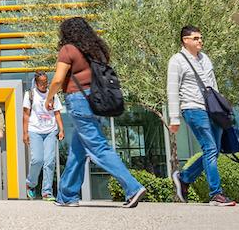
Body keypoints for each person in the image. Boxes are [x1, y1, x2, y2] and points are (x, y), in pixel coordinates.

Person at [45, 17, 146, 208]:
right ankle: (67, 196)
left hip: (78, 100)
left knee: (98, 147)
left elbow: (58, 79)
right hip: (95, 101)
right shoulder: (96, 51)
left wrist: (49, 98)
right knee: (78, 150)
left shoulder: (68, 49)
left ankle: (133, 187)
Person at [168, 26, 235, 206]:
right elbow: (172, 90)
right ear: (185, 40)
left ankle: (184, 178)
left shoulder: (205, 59)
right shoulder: (177, 61)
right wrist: (174, 118)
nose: (200, 41)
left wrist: (222, 109)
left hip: (212, 111)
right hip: (193, 109)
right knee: (210, 148)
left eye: (201, 38)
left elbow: (214, 86)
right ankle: (216, 194)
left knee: (214, 150)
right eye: (196, 38)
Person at [23, 71, 64, 201]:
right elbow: (26, 115)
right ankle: (30, 184)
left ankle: (47, 192)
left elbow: (57, 113)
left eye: (46, 82)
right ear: (36, 82)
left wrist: (61, 129)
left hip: (51, 131)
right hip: (34, 130)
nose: (44, 85)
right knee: (37, 160)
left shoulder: (52, 94)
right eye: (41, 83)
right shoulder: (30, 95)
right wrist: (25, 133)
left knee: (50, 161)